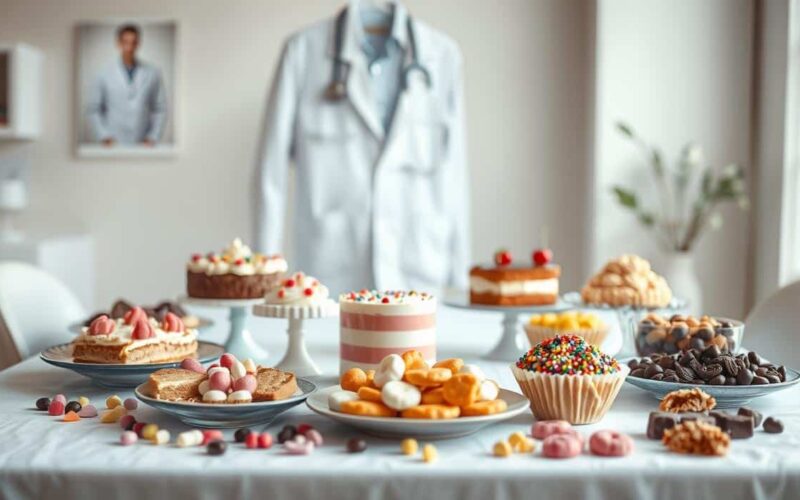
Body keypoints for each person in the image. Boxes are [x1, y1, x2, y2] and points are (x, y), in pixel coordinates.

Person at [254, 0, 469, 295]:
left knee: (414, 342)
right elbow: (271, 172)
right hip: (331, 270)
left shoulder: (442, 56)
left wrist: (460, 274)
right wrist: (263, 273)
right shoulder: (303, 52)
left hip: (417, 264)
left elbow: (455, 168)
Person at [86, 24, 167, 146]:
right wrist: (104, 136)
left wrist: (152, 137)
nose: (129, 47)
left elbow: (160, 108)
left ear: (138, 44)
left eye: (133, 42)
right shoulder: (103, 73)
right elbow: (94, 109)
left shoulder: (153, 73)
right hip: (113, 141)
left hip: (143, 141)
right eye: (125, 42)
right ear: (118, 43)